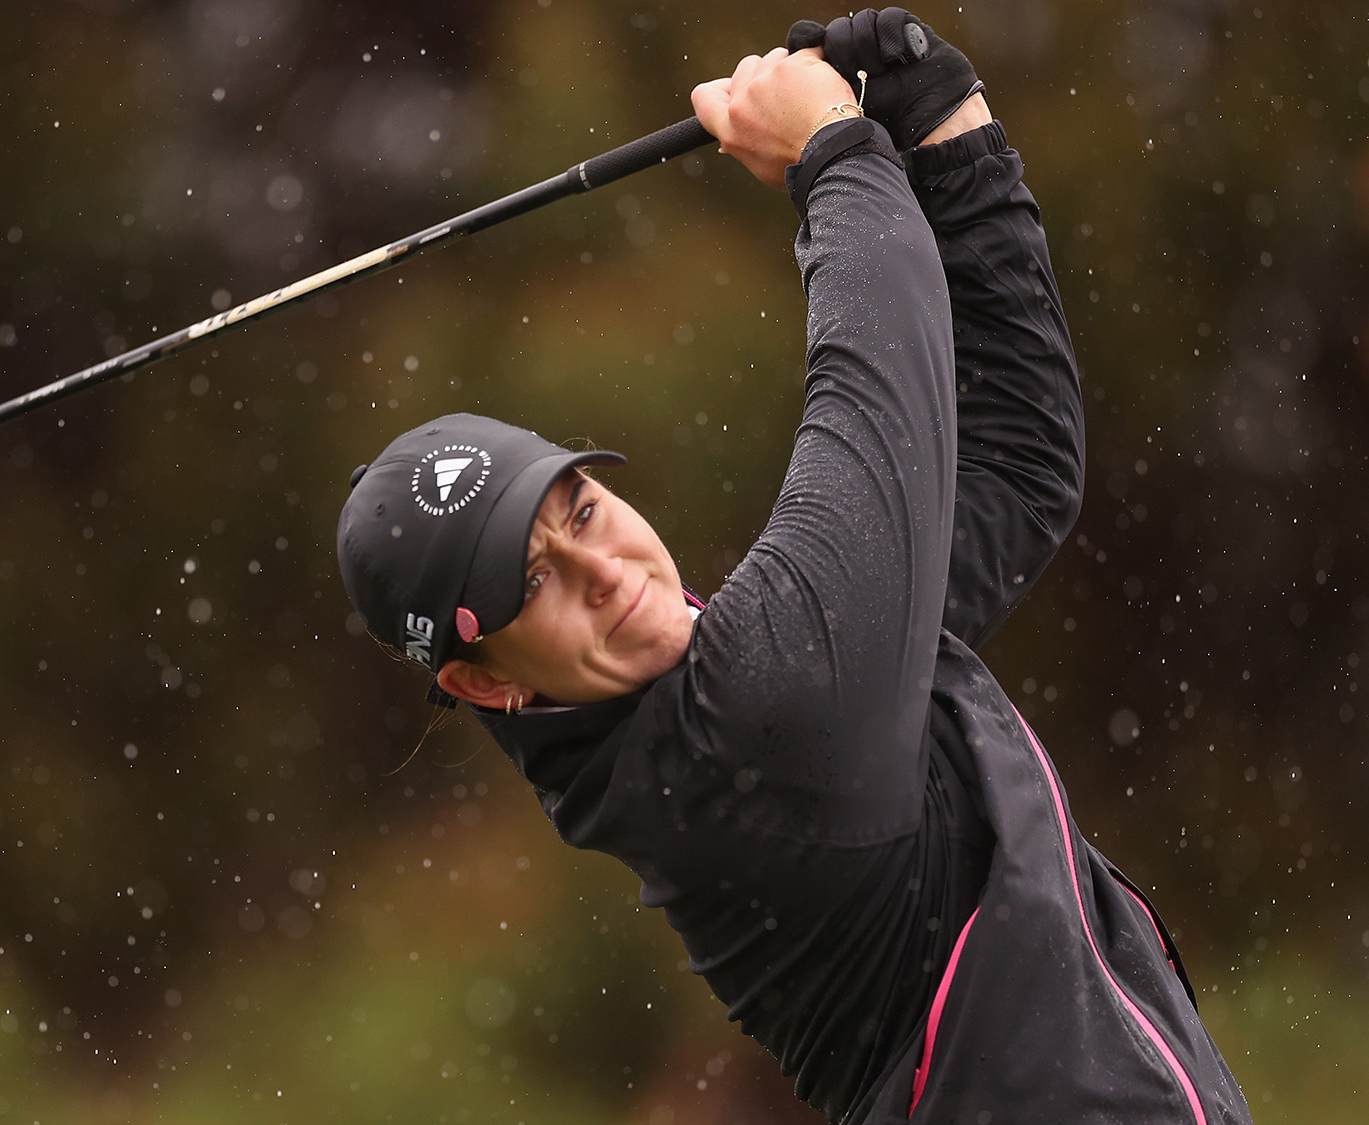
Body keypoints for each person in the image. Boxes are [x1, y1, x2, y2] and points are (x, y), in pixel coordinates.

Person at [334, 10, 1251, 1123]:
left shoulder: (744, 684)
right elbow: (873, 395)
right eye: (527, 580)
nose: (600, 564)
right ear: (487, 683)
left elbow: (1013, 465)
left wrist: (946, 133)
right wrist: (833, 154)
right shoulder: (754, 713)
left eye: (577, 506)